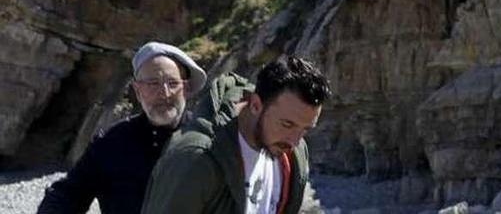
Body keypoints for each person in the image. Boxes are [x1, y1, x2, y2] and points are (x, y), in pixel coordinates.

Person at [141, 55, 332, 214]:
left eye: (306, 128)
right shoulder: (195, 158)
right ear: (256, 105)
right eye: (287, 124)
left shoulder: (293, 155)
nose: (295, 140)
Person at [37, 41, 207, 214]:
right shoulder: (113, 143)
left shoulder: (210, 140)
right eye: (153, 83)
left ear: (185, 88)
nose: (164, 93)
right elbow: (67, 195)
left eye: (172, 83)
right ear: (138, 91)